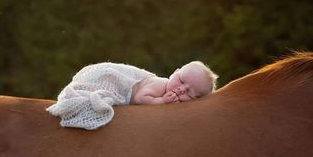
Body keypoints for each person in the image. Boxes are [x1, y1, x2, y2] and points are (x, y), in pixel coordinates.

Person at [47, 61, 218, 130]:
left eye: (189, 92)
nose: (181, 90)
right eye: (181, 81)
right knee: (92, 99)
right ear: (175, 72)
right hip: (114, 81)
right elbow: (140, 98)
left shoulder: (173, 91)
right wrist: (161, 101)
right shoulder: (161, 85)